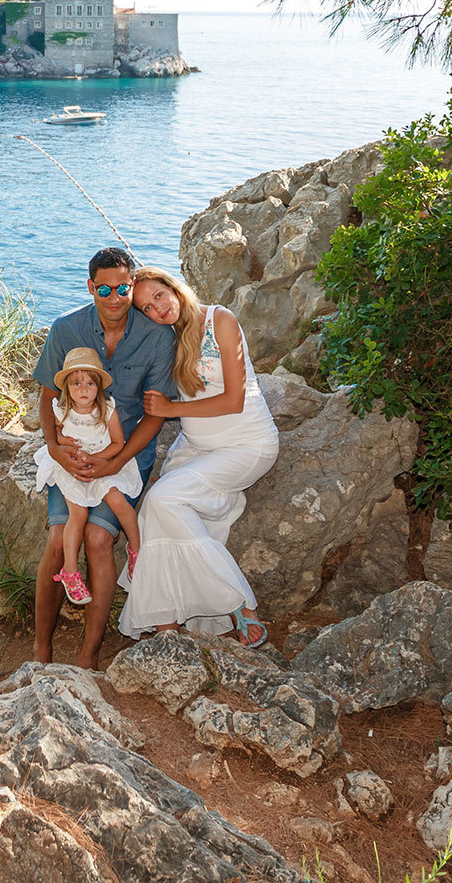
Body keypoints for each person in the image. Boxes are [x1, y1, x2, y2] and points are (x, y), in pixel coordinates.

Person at [30, 246, 179, 670]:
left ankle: (88, 656)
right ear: (91, 286)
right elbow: (46, 398)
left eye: (123, 288)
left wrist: (115, 462)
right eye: (105, 289)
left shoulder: (157, 337)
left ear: (132, 285)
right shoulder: (66, 329)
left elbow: (155, 415)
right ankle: (41, 651)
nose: (115, 298)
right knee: (59, 540)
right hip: (72, 456)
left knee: (98, 539)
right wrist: (56, 448)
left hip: (125, 454)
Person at [118, 265, 280, 648]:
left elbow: (234, 399)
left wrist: (170, 410)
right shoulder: (165, 339)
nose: (158, 309)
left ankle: (240, 603)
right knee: (157, 511)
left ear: (173, 287)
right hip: (195, 447)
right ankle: (167, 623)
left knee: (161, 499)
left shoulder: (219, 320)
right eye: (146, 308)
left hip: (245, 444)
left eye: (159, 296)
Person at [33, 347, 143, 604]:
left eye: (90, 383)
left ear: (99, 387)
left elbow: (118, 443)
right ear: (67, 388)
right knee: (78, 513)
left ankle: (136, 549)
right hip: (71, 468)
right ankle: (70, 570)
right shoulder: (61, 411)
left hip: (101, 462)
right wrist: (63, 443)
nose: (83, 389)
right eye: (76, 383)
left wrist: (98, 461)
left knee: (118, 501)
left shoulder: (107, 410)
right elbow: (57, 435)